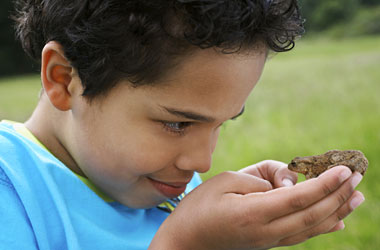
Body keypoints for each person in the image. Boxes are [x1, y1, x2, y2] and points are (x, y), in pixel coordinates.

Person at [0, 0, 364, 249]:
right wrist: (183, 243)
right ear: (64, 79)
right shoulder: (11, 191)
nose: (202, 164)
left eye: (224, 124)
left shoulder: (169, 187)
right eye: (178, 124)